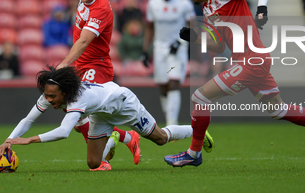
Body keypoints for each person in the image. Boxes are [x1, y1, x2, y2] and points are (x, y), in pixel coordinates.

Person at [164, 0, 305, 167]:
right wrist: (195, 38)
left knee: (200, 97)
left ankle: (194, 154)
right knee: (278, 110)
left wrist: (262, 7)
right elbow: (220, 44)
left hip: (251, 60)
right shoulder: (207, 8)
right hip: (252, 60)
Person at [0, 66, 214, 170]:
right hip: (101, 114)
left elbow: (64, 132)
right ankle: (116, 138)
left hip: (123, 104)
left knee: (160, 138)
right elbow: (28, 120)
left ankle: (198, 133)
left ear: (65, 92)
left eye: (52, 96)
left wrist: (26, 140)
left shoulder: (77, 99)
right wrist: (8, 141)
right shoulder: (52, 92)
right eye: (46, 94)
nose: (48, 99)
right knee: (94, 163)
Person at [55, 0, 139, 170]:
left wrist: (64, 64)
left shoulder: (100, 6)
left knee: (79, 113)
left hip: (96, 66)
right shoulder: (85, 0)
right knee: (74, 118)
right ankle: (126, 137)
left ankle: (103, 157)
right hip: (82, 65)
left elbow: (84, 41)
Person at [142, 0, 196, 126]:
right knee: (164, 85)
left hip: (178, 47)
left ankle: (172, 123)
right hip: (160, 48)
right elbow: (149, 27)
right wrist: (145, 50)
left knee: (174, 82)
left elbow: (192, 26)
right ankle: (169, 118)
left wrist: (180, 42)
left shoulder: (184, 4)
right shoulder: (153, 3)